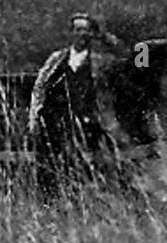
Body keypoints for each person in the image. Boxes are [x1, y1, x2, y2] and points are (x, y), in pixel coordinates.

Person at [28, 13, 127, 187]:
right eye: (78, 30)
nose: (82, 34)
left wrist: (104, 37)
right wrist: (35, 118)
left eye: (86, 30)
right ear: (71, 33)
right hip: (59, 126)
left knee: (88, 172)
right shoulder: (56, 60)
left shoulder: (100, 62)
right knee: (53, 171)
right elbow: (39, 88)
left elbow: (127, 57)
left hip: (88, 126)